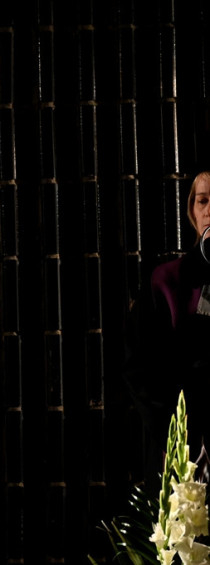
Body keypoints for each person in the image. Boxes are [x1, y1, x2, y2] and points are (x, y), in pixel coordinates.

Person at [123, 170, 210, 490]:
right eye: (203, 201)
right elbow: (139, 368)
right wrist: (177, 436)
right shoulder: (165, 280)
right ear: (192, 212)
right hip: (181, 447)